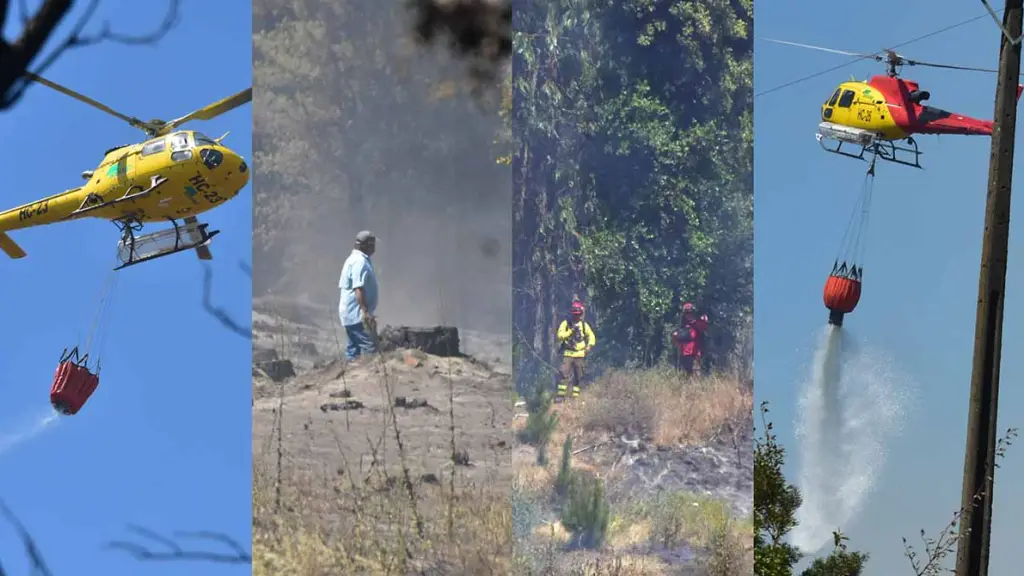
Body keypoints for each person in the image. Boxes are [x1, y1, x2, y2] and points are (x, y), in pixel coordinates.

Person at [339, 230, 379, 360]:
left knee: (353, 348)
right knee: (370, 349)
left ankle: (349, 374)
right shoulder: (359, 262)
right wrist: (365, 313)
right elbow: (358, 289)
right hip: (357, 315)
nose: (374, 247)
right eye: (373, 244)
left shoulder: (354, 259)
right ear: (367, 245)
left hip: (350, 314)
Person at [555, 299, 596, 400]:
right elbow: (559, 336)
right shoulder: (566, 324)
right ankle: (561, 396)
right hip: (568, 354)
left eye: (578, 314)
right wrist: (570, 332)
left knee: (579, 377)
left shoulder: (584, 325)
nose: (576, 316)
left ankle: (575, 397)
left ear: (581, 314)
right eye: (575, 314)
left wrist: (589, 346)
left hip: (580, 355)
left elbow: (591, 336)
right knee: (563, 374)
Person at [672, 302, 709, 375]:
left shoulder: (697, 323)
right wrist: (676, 342)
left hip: (694, 355)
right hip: (684, 355)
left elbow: (704, 325)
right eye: (687, 313)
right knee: (685, 376)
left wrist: (704, 319)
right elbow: (676, 339)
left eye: (691, 313)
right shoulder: (683, 326)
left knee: (695, 376)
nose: (689, 315)